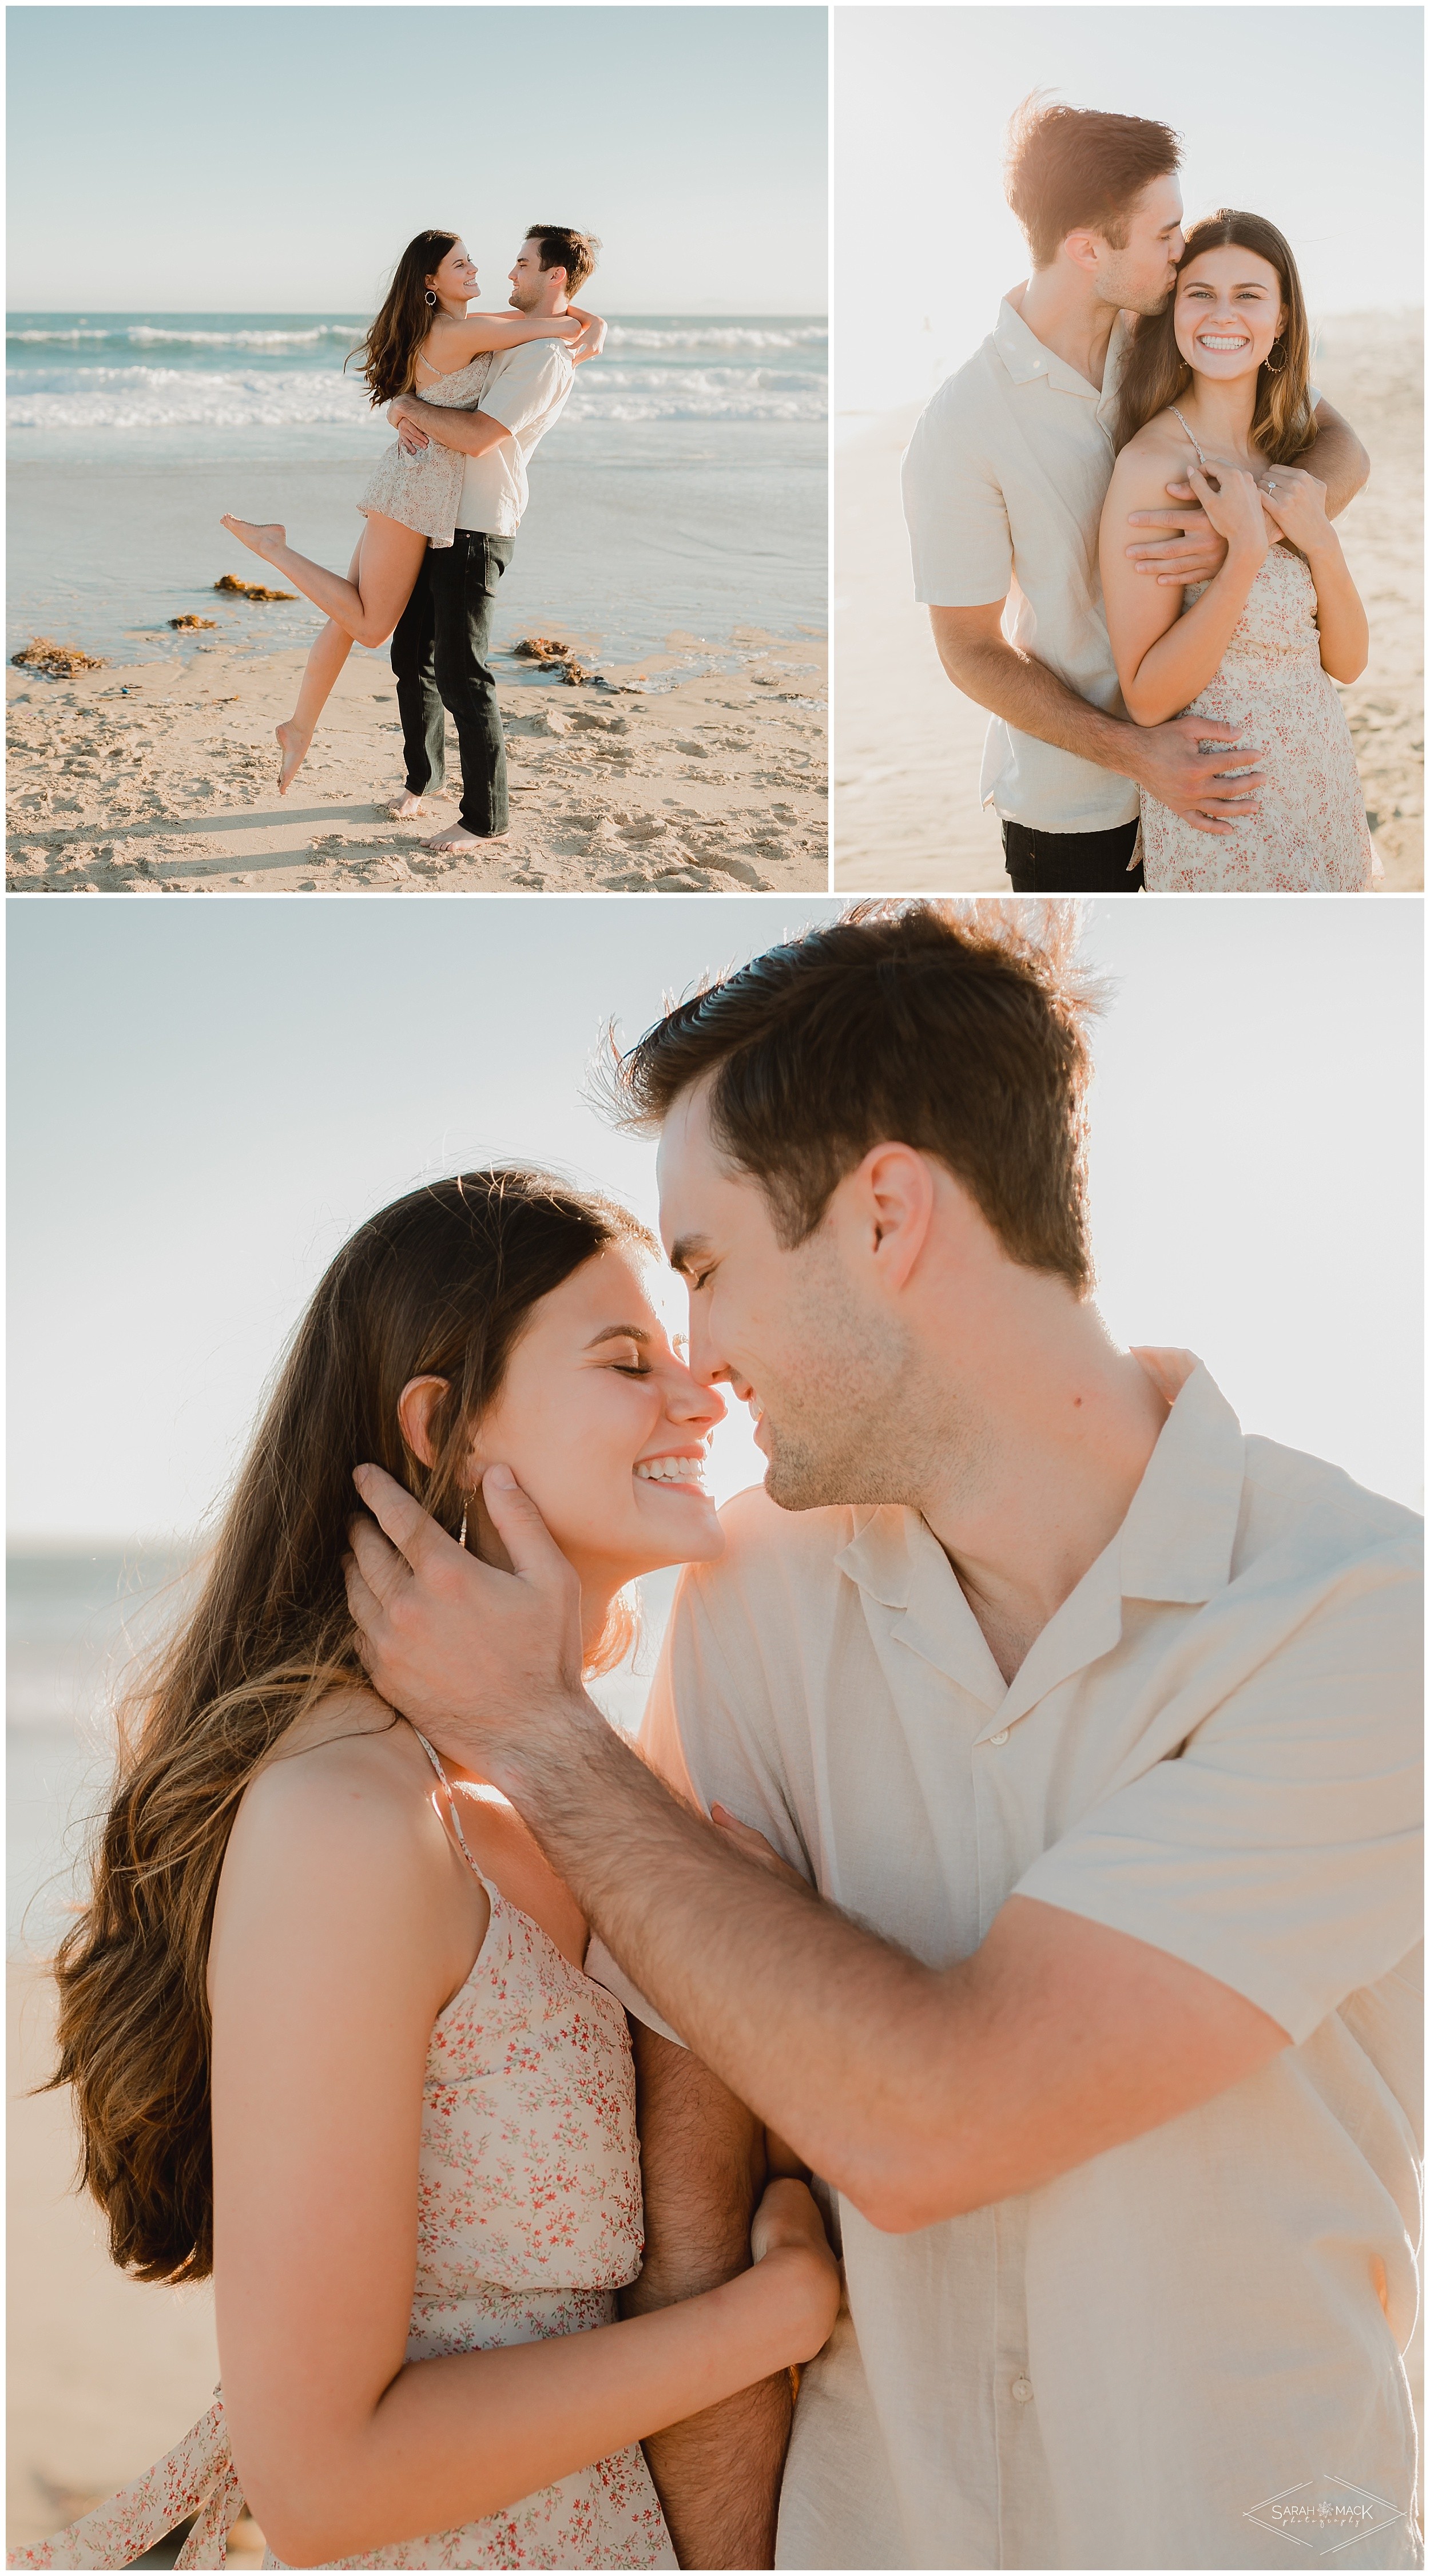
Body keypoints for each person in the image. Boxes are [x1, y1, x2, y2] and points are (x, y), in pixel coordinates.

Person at [343, 904, 1423, 2572]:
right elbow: (699, 2178)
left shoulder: (1358, 1618)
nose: (698, 1362)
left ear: (885, 1214)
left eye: (702, 1268)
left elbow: (931, 2123)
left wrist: (544, 1740)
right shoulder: (755, 1597)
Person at [14, 1173, 838, 2574]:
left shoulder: (570, 1787)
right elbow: (324, 2478)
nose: (702, 1401)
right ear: (443, 1430)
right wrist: (760, 2325)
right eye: (629, 1364)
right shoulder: (351, 1819)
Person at [901, 99, 1371, 892]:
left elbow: (1342, 446)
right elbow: (968, 650)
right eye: (1165, 233)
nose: (1182, 250)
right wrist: (1133, 750)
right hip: (1081, 808)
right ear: (1089, 248)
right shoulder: (963, 423)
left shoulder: (1170, 333)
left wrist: (1244, 524)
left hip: (1235, 767)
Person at [217, 229, 603, 807]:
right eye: (461, 264)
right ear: (430, 282)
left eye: (506, 263)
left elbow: (535, 325)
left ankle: (300, 728)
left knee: (352, 617)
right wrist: (590, 326)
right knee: (373, 628)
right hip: (419, 490)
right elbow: (553, 324)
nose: (485, 271)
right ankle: (274, 549)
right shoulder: (466, 330)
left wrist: (402, 406)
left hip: (421, 489)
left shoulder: (475, 329)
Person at [1102, 211, 1375, 890]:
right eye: (1200, 293)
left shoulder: (1288, 443)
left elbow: (1346, 663)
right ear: (1173, 312)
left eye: (1249, 295)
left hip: (1324, 789)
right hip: (1228, 810)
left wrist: (1315, 537)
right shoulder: (1152, 467)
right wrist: (1243, 557)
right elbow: (1147, 698)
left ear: (1281, 319)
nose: (1223, 314)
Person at [380, 225, 602, 855]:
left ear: (554, 276)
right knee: (411, 658)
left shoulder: (544, 358)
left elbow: (478, 435)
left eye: (524, 264)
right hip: (440, 512)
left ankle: (485, 819)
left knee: (462, 674)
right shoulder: (523, 334)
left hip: (479, 523)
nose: (510, 275)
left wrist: (407, 407)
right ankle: (422, 779)